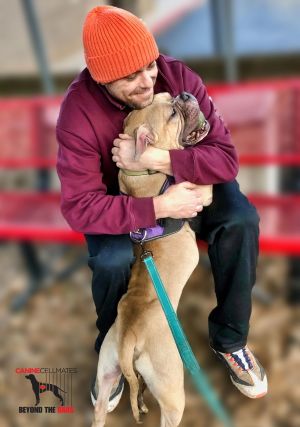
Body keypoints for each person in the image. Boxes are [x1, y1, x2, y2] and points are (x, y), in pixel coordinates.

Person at [56, 5, 267, 410]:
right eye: (131, 76)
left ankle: (231, 339)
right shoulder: (78, 114)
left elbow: (224, 158)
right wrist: (156, 206)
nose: (148, 80)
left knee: (240, 220)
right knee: (112, 261)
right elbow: (80, 207)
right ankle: (115, 348)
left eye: (149, 66)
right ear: (102, 78)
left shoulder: (177, 76)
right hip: (119, 201)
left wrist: (159, 161)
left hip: (191, 182)